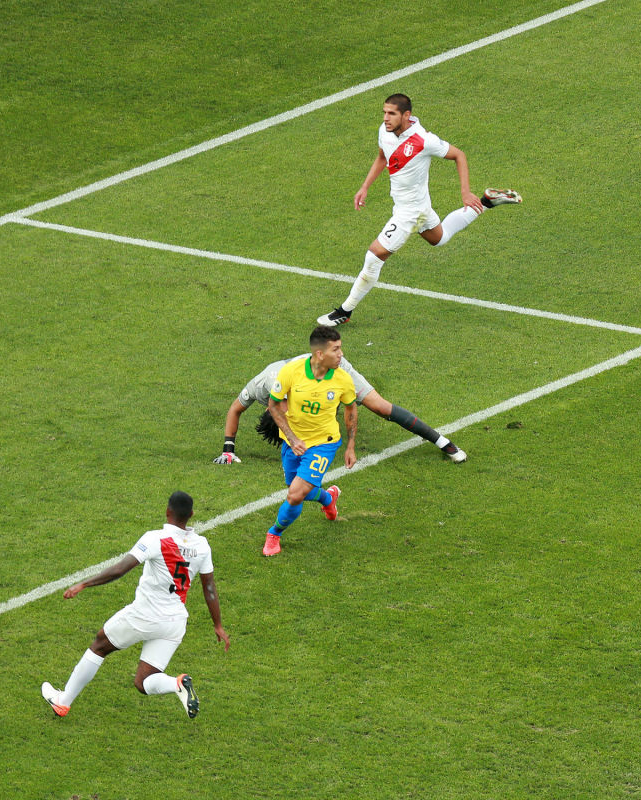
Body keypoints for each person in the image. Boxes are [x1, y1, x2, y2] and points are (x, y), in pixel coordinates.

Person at [316, 93, 521, 326]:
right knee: (439, 238)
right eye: (384, 112)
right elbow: (383, 156)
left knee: (373, 257)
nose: (386, 118)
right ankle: (486, 202)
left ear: (406, 115)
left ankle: (345, 311)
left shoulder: (424, 140)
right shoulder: (385, 131)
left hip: (409, 213)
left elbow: (459, 155)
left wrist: (465, 192)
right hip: (418, 208)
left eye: (391, 113)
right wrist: (364, 187)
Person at [41, 491, 230, 719]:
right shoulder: (202, 545)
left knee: (100, 644)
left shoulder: (155, 538)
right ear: (191, 514)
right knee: (144, 681)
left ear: (167, 512)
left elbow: (120, 569)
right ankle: (177, 683)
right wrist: (218, 624)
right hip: (175, 624)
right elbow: (209, 586)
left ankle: (63, 701)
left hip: (145, 615)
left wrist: (84, 584)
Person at [214, 352, 466, 464]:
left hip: (333, 367)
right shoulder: (264, 389)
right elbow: (235, 409)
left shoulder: (274, 381)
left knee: (379, 407)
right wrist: (228, 450)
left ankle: (443, 442)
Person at [261, 327, 357, 557]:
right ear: (320, 354)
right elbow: (273, 405)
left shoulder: (343, 379)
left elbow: (351, 409)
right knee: (297, 489)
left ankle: (274, 534)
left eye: (340, 348)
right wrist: (292, 438)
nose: (341, 354)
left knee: (294, 495)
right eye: (336, 349)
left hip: (324, 443)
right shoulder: (291, 372)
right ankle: (328, 497)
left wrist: (350, 445)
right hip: (293, 442)